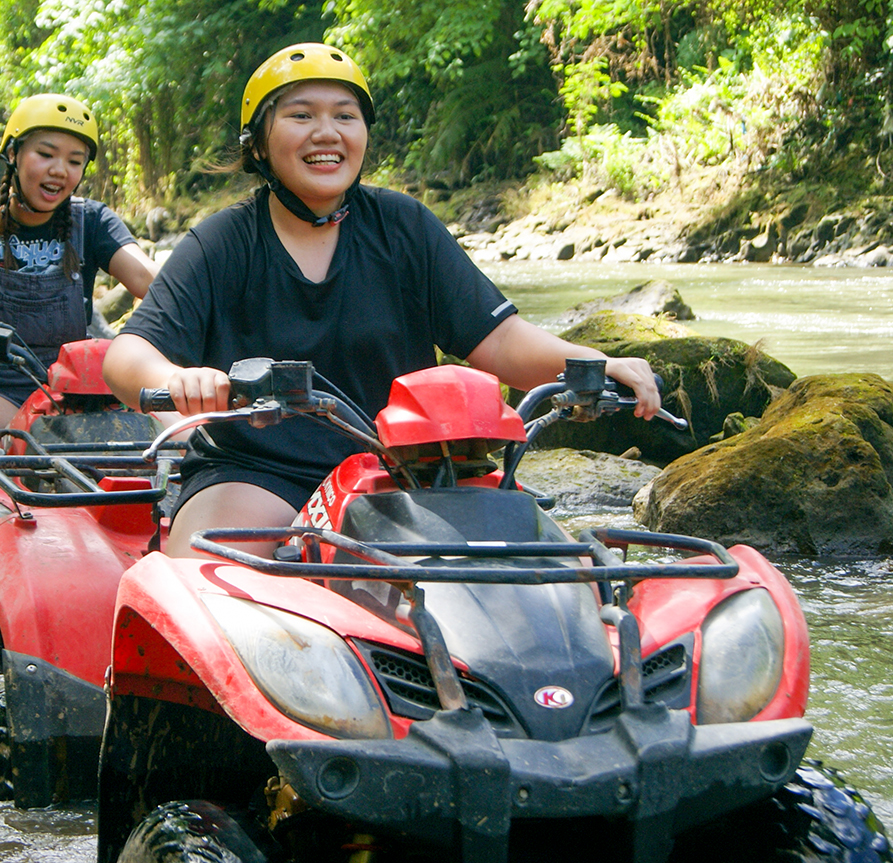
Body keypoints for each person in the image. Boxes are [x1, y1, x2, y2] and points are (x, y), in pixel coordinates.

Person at [102, 42, 661, 558]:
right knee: (209, 578)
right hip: (258, 470)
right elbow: (126, 356)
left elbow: (499, 340)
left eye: (345, 116)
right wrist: (179, 379)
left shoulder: (404, 226)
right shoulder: (222, 241)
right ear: (259, 144)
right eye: (301, 115)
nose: (326, 132)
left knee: (559, 580)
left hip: (412, 468)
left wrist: (595, 363)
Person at [0, 93, 160, 462]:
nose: (60, 170)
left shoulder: (91, 220)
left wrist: (203, 307)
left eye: (75, 161)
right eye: (46, 154)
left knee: (179, 443)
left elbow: (148, 276)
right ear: (12, 153)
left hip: (81, 390)